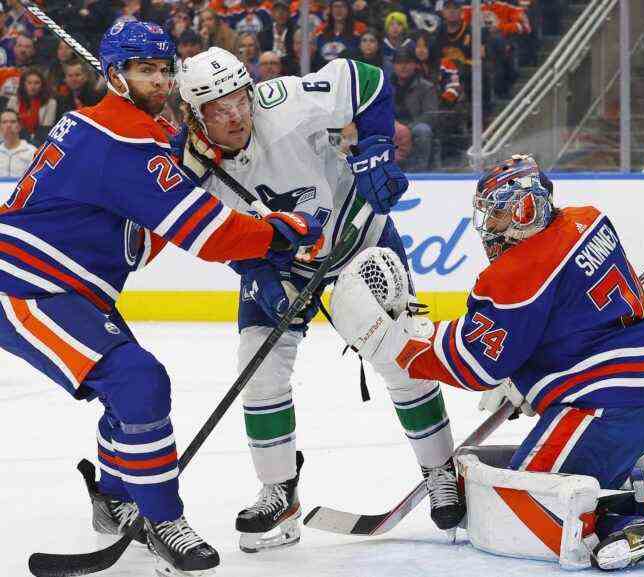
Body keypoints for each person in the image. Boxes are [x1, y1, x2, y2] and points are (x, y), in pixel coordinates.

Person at [0, 21, 323, 577]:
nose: (158, 79)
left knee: (127, 392)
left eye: (163, 69)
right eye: (143, 70)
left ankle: (114, 499)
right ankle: (160, 519)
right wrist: (282, 230)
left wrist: (180, 157)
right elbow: (209, 235)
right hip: (27, 286)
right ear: (115, 76)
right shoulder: (125, 141)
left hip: (68, 287)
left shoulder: (107, 126)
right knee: (138, 381)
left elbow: (143, 235)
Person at [329, 154, 644, 571]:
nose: (489, 229)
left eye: (496, 217)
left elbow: (473, 365)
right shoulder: (588, 220)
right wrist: (532, 374)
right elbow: (570, 316)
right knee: (577, 474)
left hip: (607, 404)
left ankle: (617, 527)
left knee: (524, 496)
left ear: (525, 208)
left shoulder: (518, 271)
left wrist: (396, 345)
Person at [175, 46, 461, 552]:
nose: (238, 114)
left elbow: (367, 80)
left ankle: (442, 470)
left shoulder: (282, 102)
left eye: (240, 98)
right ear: (195, 117)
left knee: (404, 353)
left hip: (361, 235)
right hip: (280, 260)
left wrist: (375, 147)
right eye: (219, 108)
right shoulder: (187, 170)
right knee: (258, 369)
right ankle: (279, 493)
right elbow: (213, 235)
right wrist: (256, 271)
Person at [391, 46, 439, 171]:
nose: (403, 66)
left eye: (407, 62)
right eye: (399, 63)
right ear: (394, 65)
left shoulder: (426, 87)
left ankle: (419, 171)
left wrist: (407, 128)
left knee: (423, 130)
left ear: (415, 65)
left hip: (414, 126)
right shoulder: (385, 86)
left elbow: (430, 114)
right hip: (391, 126)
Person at [6, 67, 57, 142]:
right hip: (15, 137)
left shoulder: (51, 103)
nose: (33, 86)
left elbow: (45, 129)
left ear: (42, 85)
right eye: (29, 83)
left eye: (37, 83)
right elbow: (9, 123)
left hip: (38, 139)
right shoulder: (14, 100)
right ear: (23, 84)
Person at [0, 108, 36, 176]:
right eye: (4, 122)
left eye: (13, 122)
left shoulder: (32, 151)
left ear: (19, 126)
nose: (9, 125)